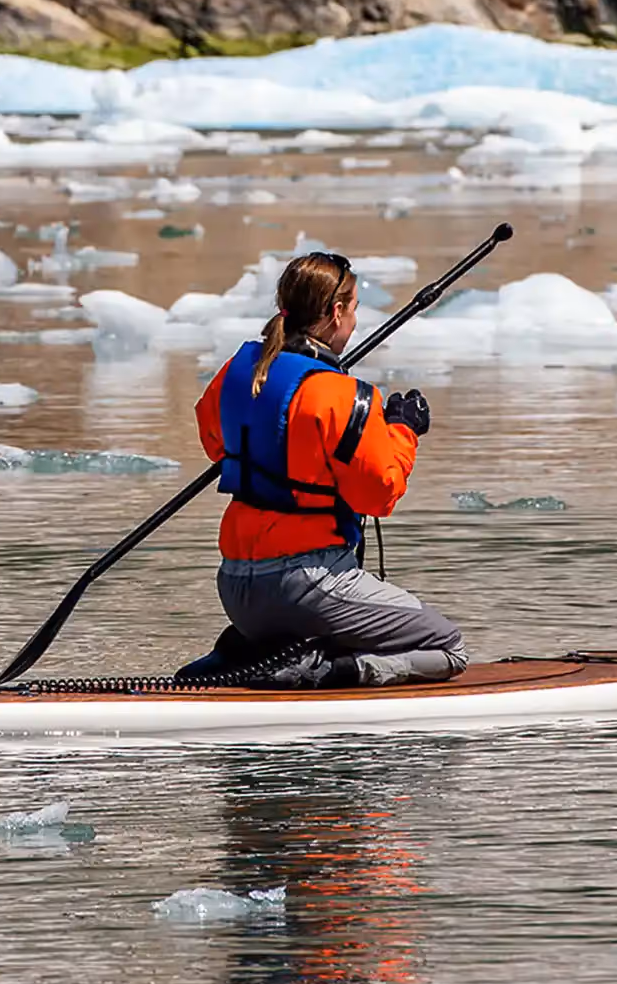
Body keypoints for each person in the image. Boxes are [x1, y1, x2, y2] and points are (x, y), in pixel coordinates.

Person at [181, 250, 468, 688]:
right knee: (448, 648)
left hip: (236, 585)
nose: (353, 321)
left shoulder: (238, 372)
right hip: (308, 587)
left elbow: (215, 444)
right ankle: (332, 672)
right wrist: (402, 429)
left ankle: (248, 656)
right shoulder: (346, 396)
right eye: (353, 309)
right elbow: (379, 494)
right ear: (336, 312)